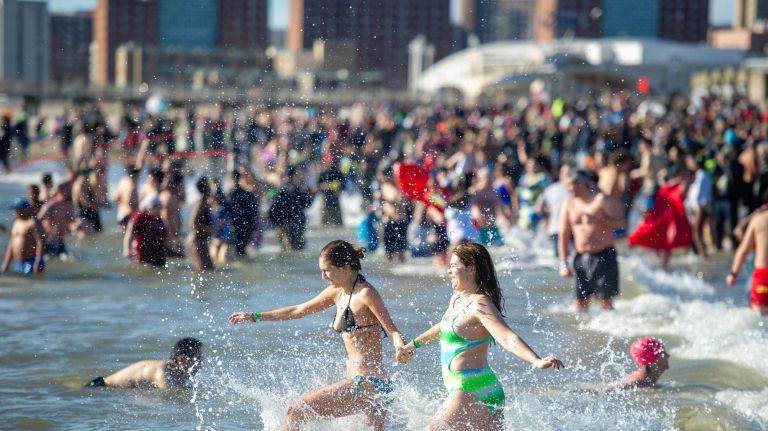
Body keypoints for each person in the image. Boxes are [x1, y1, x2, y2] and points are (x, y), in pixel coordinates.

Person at [228, 240, 406, 431]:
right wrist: (256, 316)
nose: (323, 276)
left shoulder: (366, 294)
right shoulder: (338, 291)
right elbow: (298, 310)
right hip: (360, 385)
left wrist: (401, 347)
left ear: (345, 267)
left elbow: (392, 330)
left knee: (295, 411)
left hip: (369, 385)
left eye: (327, 270)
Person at [397, 242, 564, 431]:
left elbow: (507, 337)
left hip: (470, 388)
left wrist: (537, 361)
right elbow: (443, 327)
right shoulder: (457, 299)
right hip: (482, 388)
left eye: (454, 266)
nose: (449, 271)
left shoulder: (480, 304)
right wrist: (412, 346)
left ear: (471, 269)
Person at [558, 170, 625, 312]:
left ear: (581, 184)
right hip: (581, 256)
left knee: (605, 301)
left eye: (570, 186)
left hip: (604, 255)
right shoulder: (569, 204)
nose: (568, 190)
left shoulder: (600, 200)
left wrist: (602, 221)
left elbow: (621, 223)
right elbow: (563, 233)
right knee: (580, 302)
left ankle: (612, 329)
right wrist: (563, 262)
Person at [85, 337, 202, 389]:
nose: (201, 363)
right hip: (100, 387)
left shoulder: (177, 371)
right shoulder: (163, 371)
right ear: (182, 360)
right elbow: (168, 396)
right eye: (198, 358)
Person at [726, 207, 768, 316]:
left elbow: (744, 250)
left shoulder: (759, 220)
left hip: (763, 274)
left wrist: (733, 274)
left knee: (759, 316)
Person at [2, 198, 45, 274]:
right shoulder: (16, 223)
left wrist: (38, 261)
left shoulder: (33, 222)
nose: (15, 212)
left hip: (31, 262)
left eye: (17, 209)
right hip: (19, 263)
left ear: (26, 209)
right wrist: (6, 264)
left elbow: (40, 242)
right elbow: (11, 244)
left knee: (31, 284)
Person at [123, 195, 167, 267]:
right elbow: (129, 233)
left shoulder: (159, 219)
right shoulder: (140, 216)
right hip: (141, 253)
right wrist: (127, 249)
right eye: (156, 207)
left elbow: (164, 235)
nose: (158, 209)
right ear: (148, 207)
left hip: (158, 254)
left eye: (160, 207)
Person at [186, 177, 214, 271]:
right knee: (202, 270)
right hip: (195, 241)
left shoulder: (204, 201)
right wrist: (210, 229)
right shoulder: (200, 203)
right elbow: (192, 224)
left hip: (200, 240)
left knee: (209, 269)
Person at [115, 165, 140, 231]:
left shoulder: (122, 182)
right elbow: (130, 201)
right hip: (129, 216)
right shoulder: (132, 186)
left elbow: (116, 198)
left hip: (120, 215)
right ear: (134, 175)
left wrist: (123, 204)